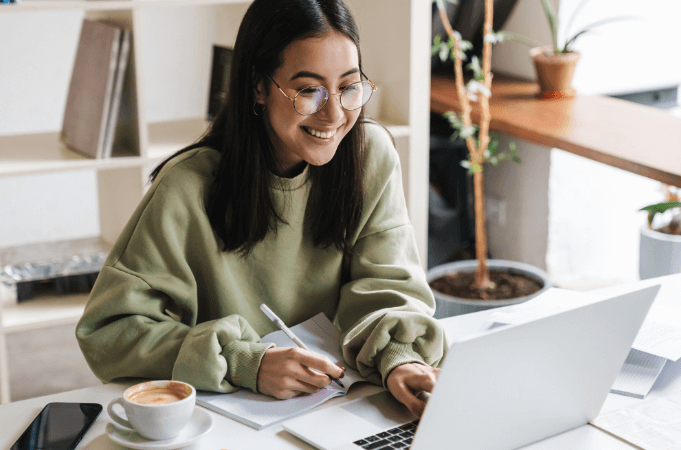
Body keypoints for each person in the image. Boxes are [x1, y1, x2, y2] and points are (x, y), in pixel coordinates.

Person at [75, 0, 446, 417]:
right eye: (310, 91)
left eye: (349, 86)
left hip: (342, 404)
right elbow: (109, 331)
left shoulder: (370, 155)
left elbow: (389, 286)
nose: (335, 114)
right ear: (258, 86)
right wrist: (245, 362)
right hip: (229, 420)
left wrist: (402, 357)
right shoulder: (186, 187)